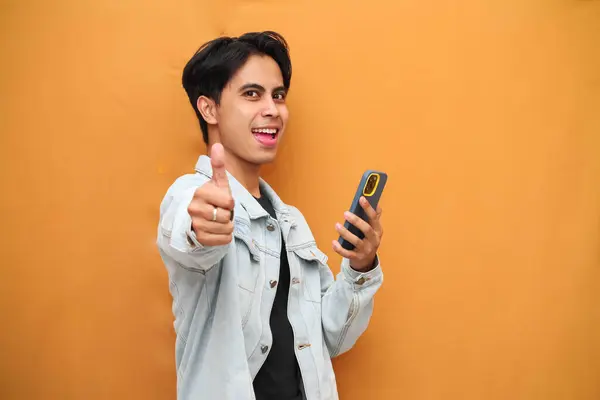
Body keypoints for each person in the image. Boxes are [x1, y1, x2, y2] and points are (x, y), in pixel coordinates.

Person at [156, 31, 385, 400]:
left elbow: (332, 337)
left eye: (278, 95)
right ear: (208, 108)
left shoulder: (291, 222)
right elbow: (188, 234)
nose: (272, 109)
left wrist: (361, 267)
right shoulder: (188, 196)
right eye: (252, 94)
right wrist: (201, 227)